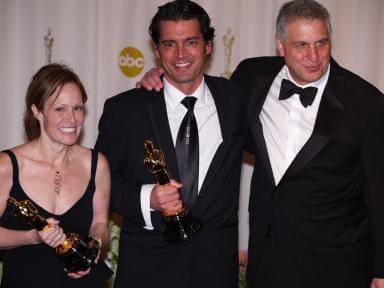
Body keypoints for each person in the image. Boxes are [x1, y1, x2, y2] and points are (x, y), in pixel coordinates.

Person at [137, 1, 384, 287]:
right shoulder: (252, 77)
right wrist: (160, 77)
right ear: (281, 45)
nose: (313, 56)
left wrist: (381, 271)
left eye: (321, 43)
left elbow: (380, 191)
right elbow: (202, 92)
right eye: (301, 45)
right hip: (269, 260)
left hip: (337, 264)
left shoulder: (367, 103)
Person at [95, 1, 247, 288]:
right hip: (147, 270)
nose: (180, 55)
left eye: (191, 42)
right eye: (169, 44)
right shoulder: (125, 110)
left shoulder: (236, 99)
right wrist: (147, 198)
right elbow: (101, 185)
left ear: (208, 46)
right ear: (156, 50)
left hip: (215, 271)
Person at [0, 63, 112, 288]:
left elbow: (100, 223)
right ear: (37, 111)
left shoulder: (96, 164)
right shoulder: (7, 166)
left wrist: (94, 247)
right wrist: (31, 237)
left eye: (77, 108)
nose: (72, 119)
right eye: (60, 109)